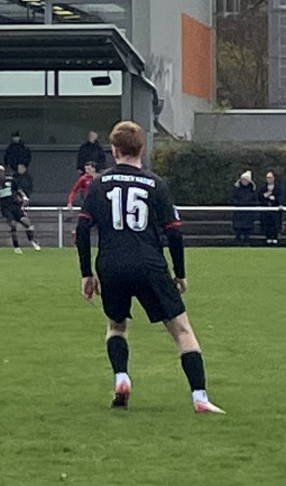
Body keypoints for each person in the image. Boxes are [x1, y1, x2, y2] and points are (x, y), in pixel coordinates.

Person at [76, 120, 223, 414]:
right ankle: (200, 397)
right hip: (149, 263)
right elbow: (174, 232)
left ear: (114, 150)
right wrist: (179, 272)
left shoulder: (98, 184)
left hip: (111, 264)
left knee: (116, 326)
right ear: (141, 148)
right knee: (182, 330)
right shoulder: (156, 184)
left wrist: (86, 274)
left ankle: (121, 378)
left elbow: (81, 229)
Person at [0, 165, 41, 253]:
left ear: (3, 172)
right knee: (13, 225)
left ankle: (32, 240)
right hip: (5, 208)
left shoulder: (11, 180)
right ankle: (17, 247)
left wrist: (24, 197)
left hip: (15, 206)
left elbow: (19, 190)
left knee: (27, 224)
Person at [229, 171, 258, 245]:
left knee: (247, 229)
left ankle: (246, 241)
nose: (244, 181)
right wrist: (239, 204)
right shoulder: (236, 188)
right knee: (238, 228)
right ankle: (237, 241)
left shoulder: (252, 189)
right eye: (243, 179)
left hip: (248, 213)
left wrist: (249, 204)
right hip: (238, 213)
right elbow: (232, 199)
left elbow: (255, 200)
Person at [259, 170, 280, 245]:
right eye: (267, 178)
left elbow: (281, 197)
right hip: (266, 210)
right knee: (266, 224)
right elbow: (259, 197)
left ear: (274, 178)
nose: (269, 179)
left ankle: (275, 238)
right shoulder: (262, 188)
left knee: (275, 224)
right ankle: (267, 238)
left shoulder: (278, 187)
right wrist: (264, 196)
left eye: (270, 177)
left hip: (275, 210)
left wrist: (275, 199)